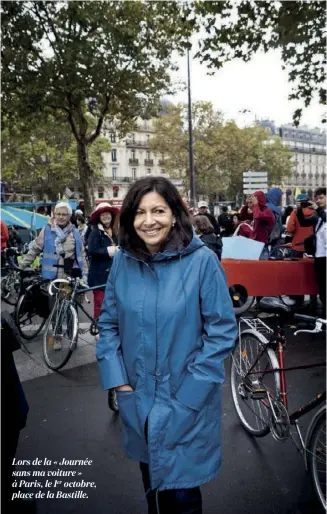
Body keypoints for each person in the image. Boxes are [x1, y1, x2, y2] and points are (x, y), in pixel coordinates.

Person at [96, 176, 237, 513]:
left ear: (175, 213)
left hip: (186, 402)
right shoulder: (122, 262)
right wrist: (120, 383)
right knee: (153, 488)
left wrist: (191, 393)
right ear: (130, 218)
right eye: (140, 212)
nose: (149, 221)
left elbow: (221, 332)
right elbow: (108, 325)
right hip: (139, 401)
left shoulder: (202, 262)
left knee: (182, 497)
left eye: (158, 210)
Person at [20, 202, 88, 281]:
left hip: (68, 278)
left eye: (64, 214)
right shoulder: (47, 230)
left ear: (69, 216)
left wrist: (85, 274)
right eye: (58, 214)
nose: (61, 217)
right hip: (49, 278)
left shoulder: (75, 232)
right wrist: (22, 265)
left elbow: (81, 255)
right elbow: (34, 249)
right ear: (54, 215)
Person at [88, 203, 120, 320]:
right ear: (99, 217)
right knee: (100, 303)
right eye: (103, 214)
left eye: (107, 213)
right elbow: (92, 250)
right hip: (99, 275)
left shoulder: (116, 231)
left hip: (114, 274)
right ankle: (98, 328)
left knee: (114, 304)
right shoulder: (95, 232)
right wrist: (110, 250)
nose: (105, 216)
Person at [297, 187, 326, 315]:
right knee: (322, 288)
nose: (318, 201)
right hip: (319, 256)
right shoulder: (318, 216)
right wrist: (299, 209)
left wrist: (317, 209)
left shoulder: (322, 214)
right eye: (317, 198)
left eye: (321, 198)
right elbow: (304, 222)